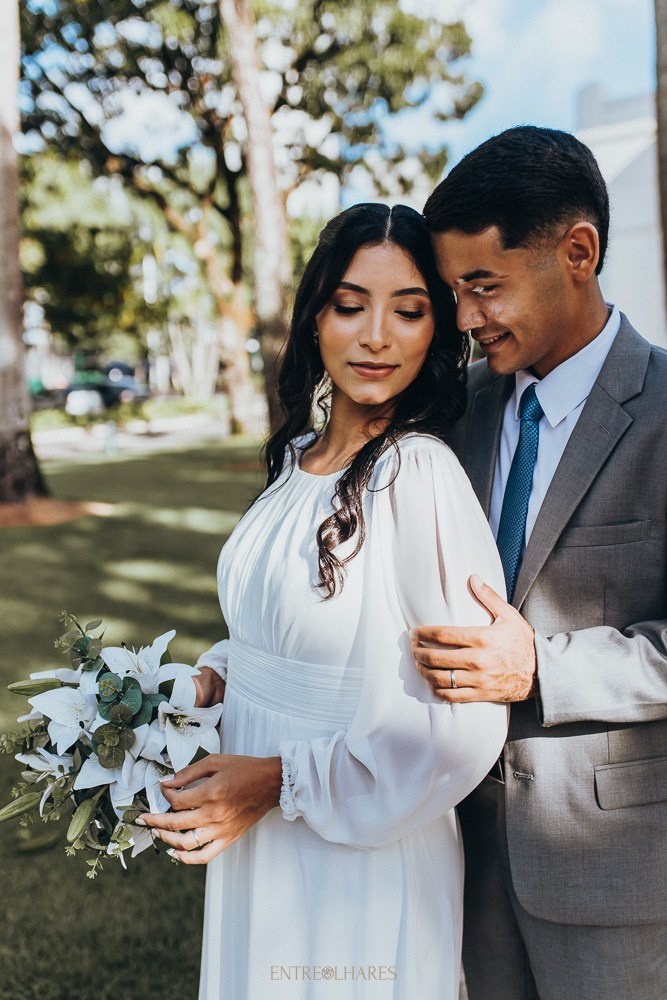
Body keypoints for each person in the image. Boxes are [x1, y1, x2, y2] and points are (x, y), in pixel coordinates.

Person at [139, 203, 508, 998]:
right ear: (314, 318)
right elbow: (280, 633)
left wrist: (280, 782)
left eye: (408, 312)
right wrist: (213, 680)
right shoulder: (296, 459)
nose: (375, 335)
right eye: (350, 305)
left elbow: (459, 725)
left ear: (435, 333)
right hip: (257, 833)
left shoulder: (416, 475)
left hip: (360, 846)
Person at [412, 126, 667, 1000]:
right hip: (463, 855)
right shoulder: (457, 412)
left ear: (578, 252)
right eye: (452, 292)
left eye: (482, 286)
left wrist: (536, 668)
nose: (464, 318)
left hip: (621, 877)